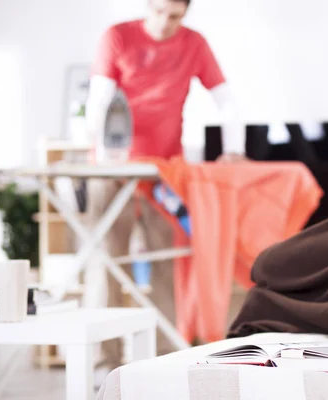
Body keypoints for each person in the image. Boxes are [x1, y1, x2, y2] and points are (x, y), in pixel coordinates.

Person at [83, 0, 245, 366]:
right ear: (148, 5)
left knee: (166, 268)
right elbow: (100, 101)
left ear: (186, 11)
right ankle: (103, 365)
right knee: (108, 264)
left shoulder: (193, 43)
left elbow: (226, 99)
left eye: (175, 15)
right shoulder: (117, 38)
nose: (164, 23)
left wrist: (234, 149)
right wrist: (105, 149)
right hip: (113, 171)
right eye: (158, 11)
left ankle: (162, 362)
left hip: (164, 174)